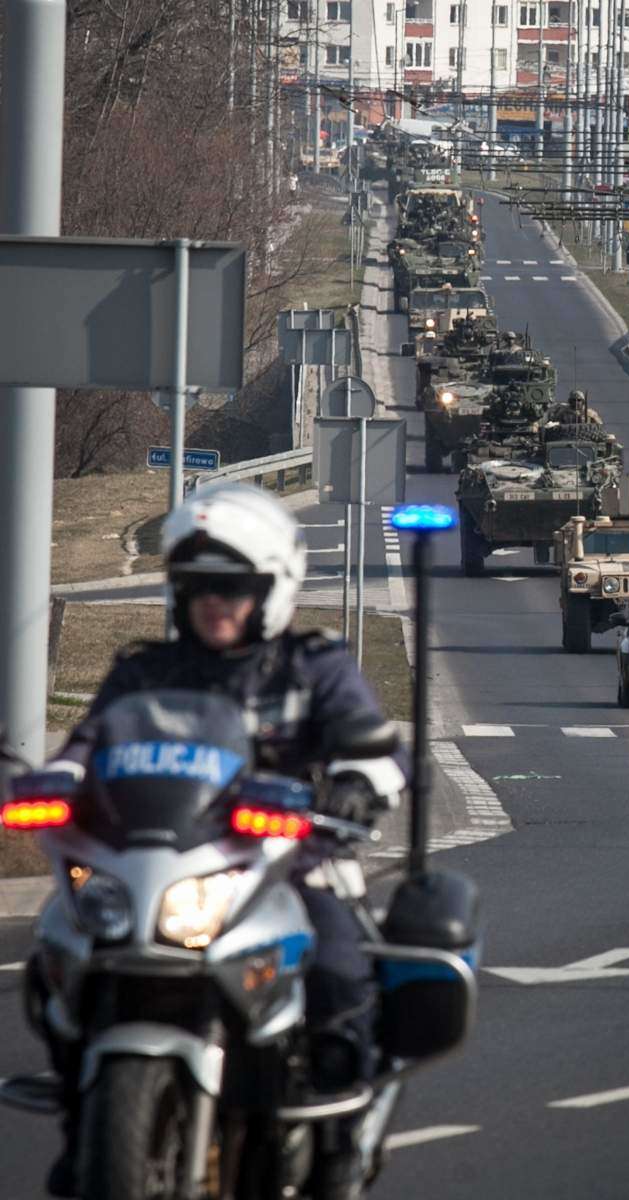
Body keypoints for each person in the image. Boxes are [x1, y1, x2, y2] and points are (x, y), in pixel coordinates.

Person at [38, 482, 407, 1199]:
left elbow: (381, 752)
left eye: (233, 587)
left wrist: (354, 786)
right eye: (199, 586)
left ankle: (337, 1141)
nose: (215, 602)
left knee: (338, 970)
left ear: (270, 590)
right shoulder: (143, 671)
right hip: (152, 866)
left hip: (289, 866)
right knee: (60, 949)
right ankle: (85, 1119)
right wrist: (53, 779)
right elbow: (85, 747)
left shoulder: (314, 666)